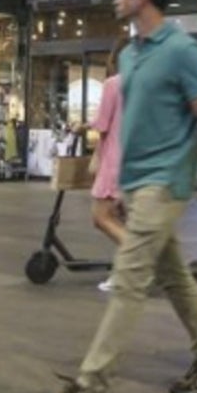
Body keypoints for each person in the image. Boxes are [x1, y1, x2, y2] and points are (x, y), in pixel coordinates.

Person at [36, 0, 197, 393]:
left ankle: (90, 388)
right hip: (136, 182)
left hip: (165, 183)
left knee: (128, 279)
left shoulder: (183, 50)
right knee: (175, 276)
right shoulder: (129, 56)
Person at [71, 38, 129, 292]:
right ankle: (125, 272)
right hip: (136, 162)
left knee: (101, 217)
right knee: (126, 220)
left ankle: (141, 262)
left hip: (114, 160)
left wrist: (82, 126)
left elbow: (102, 124)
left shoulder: (114, 84)